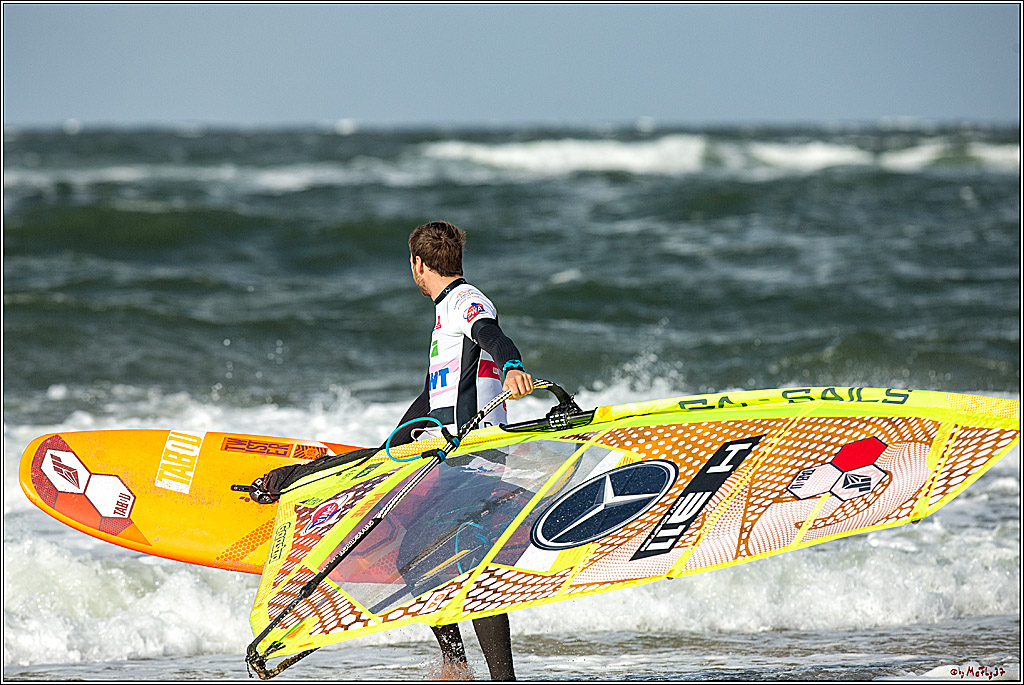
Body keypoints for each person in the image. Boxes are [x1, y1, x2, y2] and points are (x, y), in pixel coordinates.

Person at [390, 220, 533, 681]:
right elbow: (437, 395)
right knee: (458, 563)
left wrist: (513, 364)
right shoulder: (447, 311)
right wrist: (395, 440)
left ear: (419, 264)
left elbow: (492, 333)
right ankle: (477, 671)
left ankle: (462, 669)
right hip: (463, 460)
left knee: (420, 559)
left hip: (476, 460)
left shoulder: (463, 303)